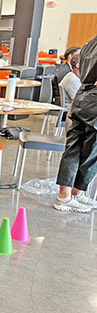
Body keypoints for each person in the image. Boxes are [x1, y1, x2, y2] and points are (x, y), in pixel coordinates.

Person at [54, 35, 97, 213]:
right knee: (91, 151)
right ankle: (77, 192)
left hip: (82, 96)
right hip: (95, 101)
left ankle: (65, 196)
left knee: (73, 147)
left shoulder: (89, 44)